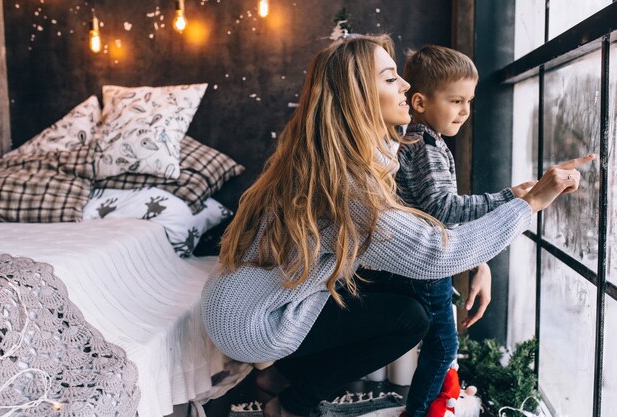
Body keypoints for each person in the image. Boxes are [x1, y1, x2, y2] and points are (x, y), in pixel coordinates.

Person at [200, 34, 594, 417]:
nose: (406, 84)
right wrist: (532, 203)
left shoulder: (348, 154)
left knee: (408, 297)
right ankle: (291, 403)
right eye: (390, 78)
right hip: (253, 322)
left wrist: (479, 260)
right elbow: (432, 253)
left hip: (246, 303)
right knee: (410, 318)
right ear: (357, 98)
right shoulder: (347, 183)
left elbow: (415, 225)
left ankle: (277, 379)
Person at [361, 45, 536, 417]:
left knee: (436, 342)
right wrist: (506, 198)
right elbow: (441, 207)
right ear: (421, 102)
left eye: (469, 101)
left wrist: (478, 260)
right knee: (443, 347)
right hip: (428, 265)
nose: (465, 111)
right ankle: (420, 411)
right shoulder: (425, 146)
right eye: (456, 100)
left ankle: (436, 401)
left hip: (417, 260)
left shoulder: (417, 141)